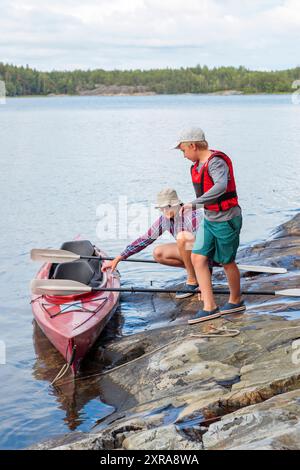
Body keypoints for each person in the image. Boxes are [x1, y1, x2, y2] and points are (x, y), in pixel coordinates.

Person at [174, 128, 245, 322]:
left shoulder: (216, 162)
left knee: (227, 261)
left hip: (226, 219)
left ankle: (236, 300)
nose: (183, 155)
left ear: (193, 145)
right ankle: (210, 306)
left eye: (183, 151)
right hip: (210, 219)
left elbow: (221, 186)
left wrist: (193, 204)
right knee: (198, 257)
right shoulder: (197, 166)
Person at [102, 188, 204, 299]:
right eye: (162, 209)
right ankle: (194, 273)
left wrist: (204, 284)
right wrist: (118, 258)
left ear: (177, 204)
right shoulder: (165, 218)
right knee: (158, 253)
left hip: (208, 254)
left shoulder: (192, 215)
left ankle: (193, 281)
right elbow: (145, 239)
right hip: (193, 253)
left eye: (168, 207)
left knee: (182, 237)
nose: (165, 211)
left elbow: (204, 247)